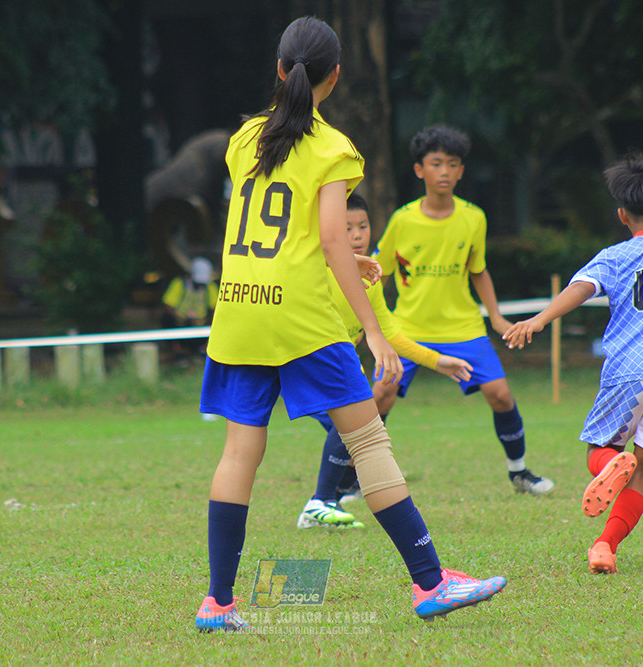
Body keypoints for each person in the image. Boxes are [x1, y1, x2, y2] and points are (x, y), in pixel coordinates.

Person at [195, 17, 505, 632]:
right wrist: (369, 324)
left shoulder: (242, 139)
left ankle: (217, 604)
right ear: (333, 78)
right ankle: (432, 583)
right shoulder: (333, 148)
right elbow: (333, 236)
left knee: (239, 452)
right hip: (301, 318)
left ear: (280, 70)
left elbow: (273, 228)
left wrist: (338, 256)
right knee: (368, 442)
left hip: (238, 310)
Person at [502, 149, 643, 574]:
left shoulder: (614, 257)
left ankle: (610, 464)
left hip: (630, 369)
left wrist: (538, 320)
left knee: (602, 449)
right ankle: (605, 546)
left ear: (621, 215)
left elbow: (580, 288)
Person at [372, 125, 555, 496]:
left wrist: (497, 317)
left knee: (501, 395)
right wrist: (369, 324)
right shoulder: (402, 220)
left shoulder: (474, 218)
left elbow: (479, 270)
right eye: (435, 163)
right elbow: (378, 273)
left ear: (461, 172)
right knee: (378, 397)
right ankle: (354, 479)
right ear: (419, 170)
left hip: (464, 329)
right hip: (408, 328)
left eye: (452, 164)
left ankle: (519, 473)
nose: (444, 171)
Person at [297, 193, 474, 530]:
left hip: (331, 361)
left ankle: (333, 496)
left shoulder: (367, 276)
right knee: (356, 416)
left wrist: (437, 362)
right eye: (346, 227)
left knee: (355, 424)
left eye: (362, 226)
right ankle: (322, 501)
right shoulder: (313, 271)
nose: (357, 234)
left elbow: (389, 331)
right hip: (305, 359)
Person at [160, 256, 218, 363]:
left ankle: (202, 350)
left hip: (200, 322)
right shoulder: (179, 284)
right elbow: (168, 305)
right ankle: (178, 351)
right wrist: (178, 318)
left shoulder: (210, 287)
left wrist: (207, 321)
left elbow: (215, 308)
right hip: (180, 321)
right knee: (167, 320)